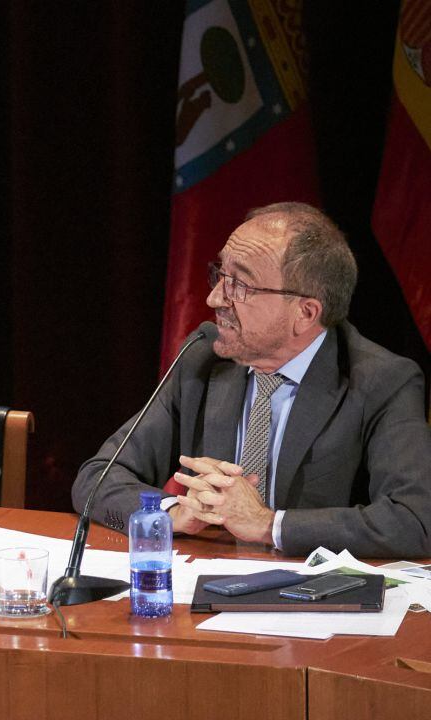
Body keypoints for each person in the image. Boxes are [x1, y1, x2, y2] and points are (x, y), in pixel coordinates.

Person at [73, 202, 431, 558]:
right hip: (205, 588)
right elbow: (96, 478)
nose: (214, 298)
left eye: (240, 285)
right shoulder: (202, 361)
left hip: (317, 602)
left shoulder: (381, 381)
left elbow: (415, 519)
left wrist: (267, 524)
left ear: (305, 314)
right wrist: (171, 513)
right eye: (220, 275)